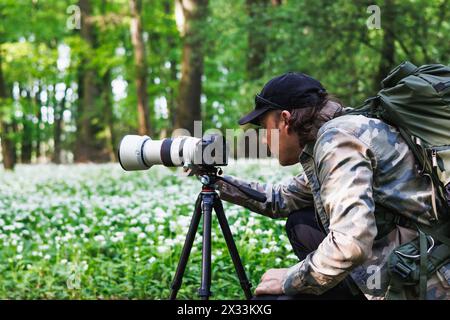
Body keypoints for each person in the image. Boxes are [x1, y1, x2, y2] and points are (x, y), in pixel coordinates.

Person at [216, 72, 450, 300]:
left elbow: (351, 244)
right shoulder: (341, 132)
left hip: (428, 277)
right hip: (418, 254)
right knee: (301, 221)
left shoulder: (337, 140)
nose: (265, 139)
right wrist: (216, 181)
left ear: (285, 119)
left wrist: (290, 278)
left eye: (264, 127)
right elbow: (281, 199)